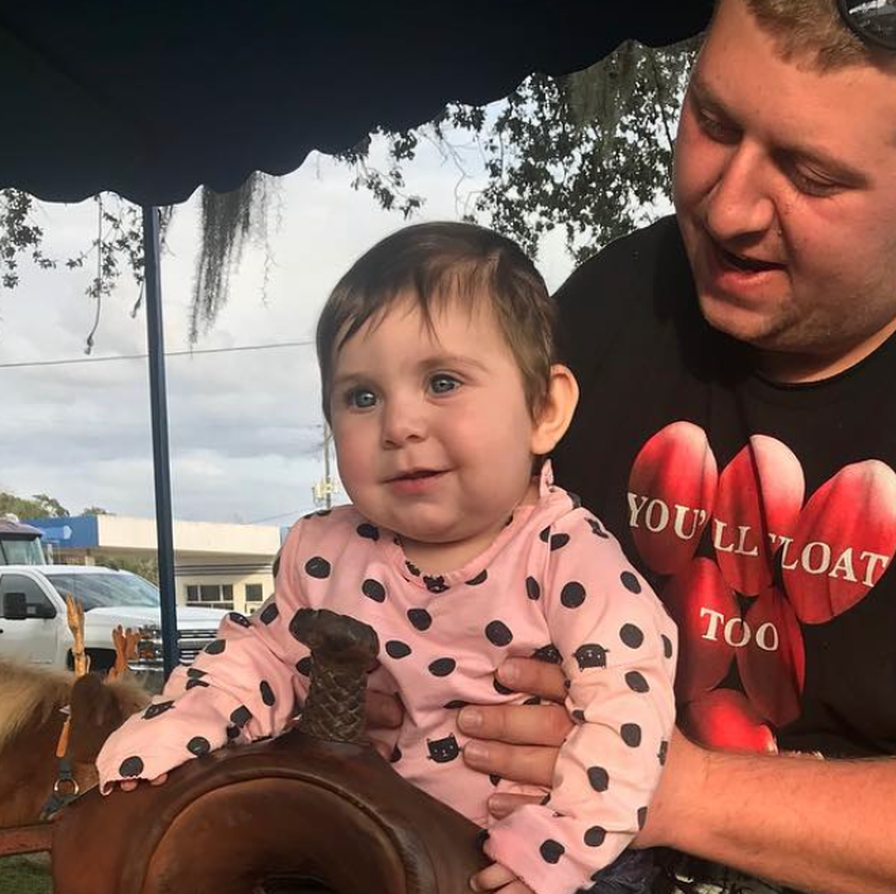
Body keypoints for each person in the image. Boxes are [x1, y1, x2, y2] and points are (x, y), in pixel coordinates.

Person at [382, 0, 896, 893]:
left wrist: (673, 791)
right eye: (713, 121)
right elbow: (470, 577)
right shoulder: (609, 312)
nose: (728, 208)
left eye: (810, 176)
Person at [95, 222, 678, 894]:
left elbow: (627, 708)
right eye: (362, 397)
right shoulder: (324, 551)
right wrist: (188, 724)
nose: (399, 425)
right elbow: (264, 657)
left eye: (443, 382)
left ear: (544, 409)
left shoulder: (568, 557)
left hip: (549, 851)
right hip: (377, 832)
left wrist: (560, 847)